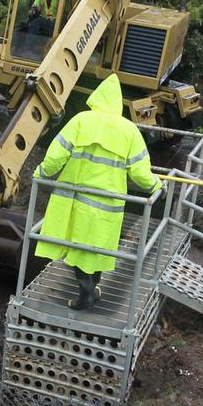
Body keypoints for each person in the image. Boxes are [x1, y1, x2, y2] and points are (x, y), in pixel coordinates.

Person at [32, 73, 162, 311]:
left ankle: (87, 293)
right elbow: (140, 171)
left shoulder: (81, 120)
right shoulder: (129, 130)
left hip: (77, 200)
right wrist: (156, 186)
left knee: (79, 247)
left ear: (97, 97)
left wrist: (41, 172)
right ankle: (92, 289)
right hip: (109, 206)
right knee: (98, 248)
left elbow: (57, 154)